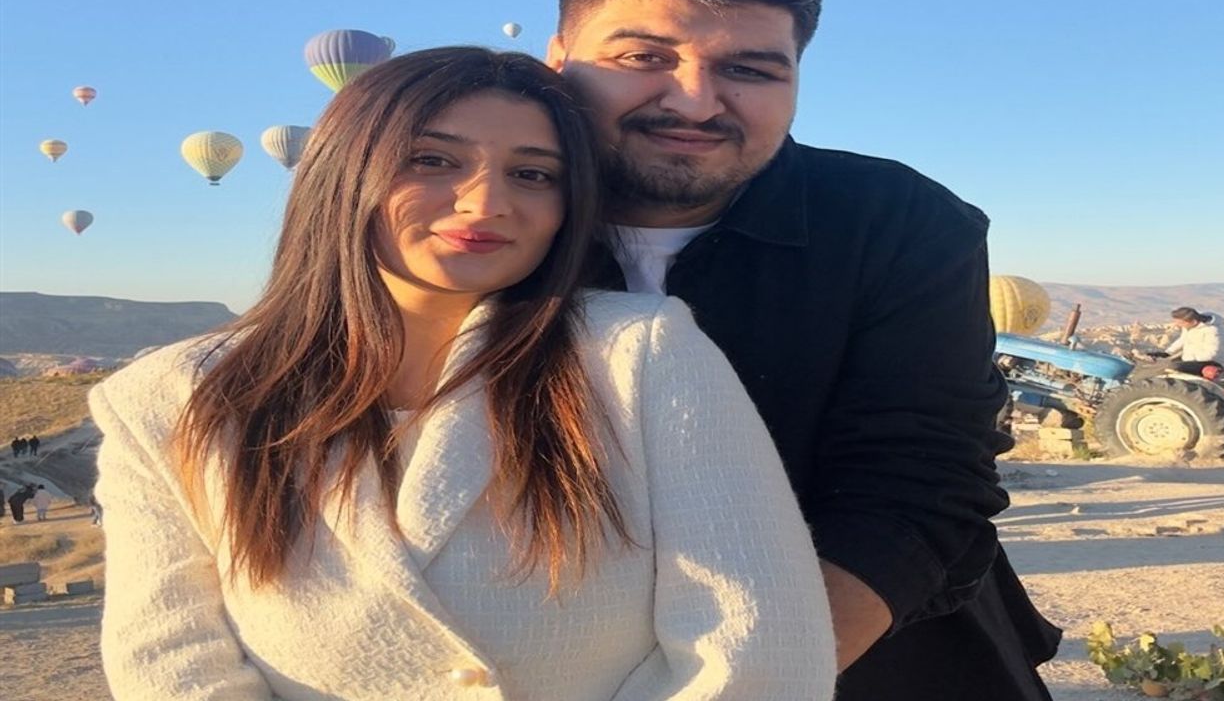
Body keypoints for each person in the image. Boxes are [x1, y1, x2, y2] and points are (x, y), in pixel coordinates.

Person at [91, 47, 835, 700]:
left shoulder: (637, 355)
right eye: (433, 161)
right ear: (342, 174)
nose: (485, 202)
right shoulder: (169, 400)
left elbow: (755, 645)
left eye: (532, 174)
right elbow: (171, 665)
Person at [547, 0, 1061, 698]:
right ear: (558, 60)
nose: (695, 103)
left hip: (873, 661)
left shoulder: (893, 221)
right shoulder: (477, 226)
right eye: (644, 57)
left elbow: (919, 484)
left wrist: (752, 680)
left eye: (749, 70)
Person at [1151, 306, 1224, 376]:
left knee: (1173, 367)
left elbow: (1212, 354)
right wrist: (1167, 353)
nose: (1178, 325)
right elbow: (1183, 340)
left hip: (1210, 362)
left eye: (1180, 323)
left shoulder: (1213, 331)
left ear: (1194, 321)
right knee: (1161, 366)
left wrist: (1189, 359)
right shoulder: (1190, 327)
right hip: (1192, 359)